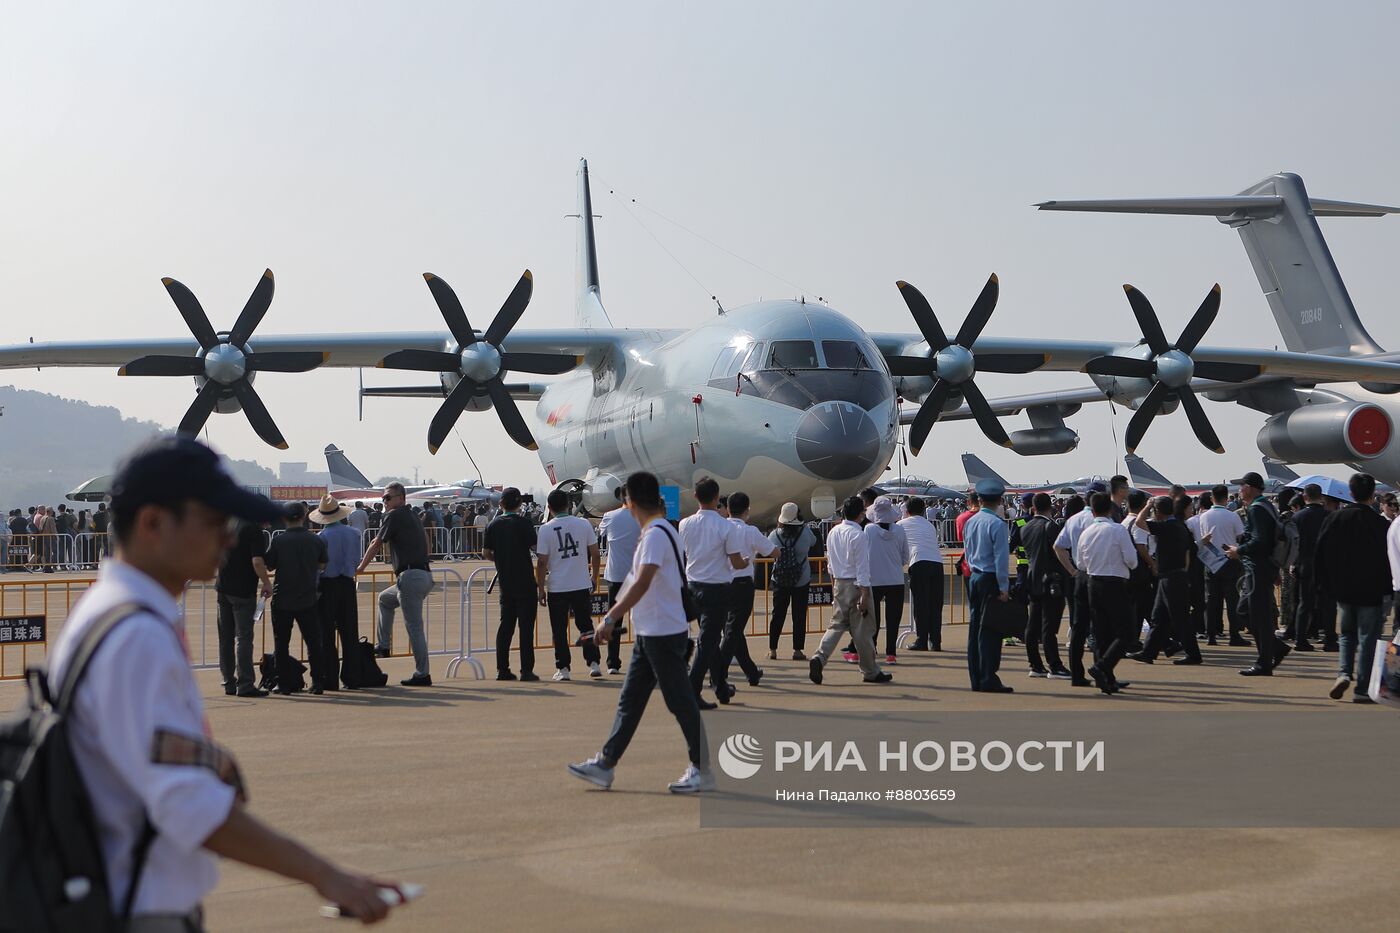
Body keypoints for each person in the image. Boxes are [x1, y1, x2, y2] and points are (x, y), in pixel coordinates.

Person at [47, 437, 398, 928]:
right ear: (152, 523)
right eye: (214, 522)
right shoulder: (135, 634)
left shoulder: (113, 613)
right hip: (136, 908)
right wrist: (326, 875)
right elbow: (188, 804)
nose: (229, 538)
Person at [567, 471, 714, 794]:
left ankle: (702, 768)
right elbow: (638, 581)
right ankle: (606, 764)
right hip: (652, 632)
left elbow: (643, 580)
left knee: (680, 701)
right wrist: (611, 619)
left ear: (628, 500)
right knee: (630, 701)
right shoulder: (661, 530)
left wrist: (610, 619)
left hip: (663, 632)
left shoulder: (656, 535)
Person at [1315, 473, 1391, 702]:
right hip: (1372, 590)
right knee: (1368, 638)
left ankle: (1344, 672)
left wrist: (1324, 584)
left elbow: (1320, 553)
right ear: (1373, 495)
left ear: (1350, 493)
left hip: (1344, 589)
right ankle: (1362, 688)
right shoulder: (1380, 524)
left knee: (1347, 635)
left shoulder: (1336, 519)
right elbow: (1389, 559)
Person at [356, 482, 435, 686]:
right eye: (384, 498)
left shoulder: (395, 515)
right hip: (422, 576)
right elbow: (427, 543)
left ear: (401, 498)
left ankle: (422, 673)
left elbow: (377, 542)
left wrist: (361, 567)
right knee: (385, 599)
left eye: (388, 497)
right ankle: (383, 645)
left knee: (414, 627)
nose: (385, 501)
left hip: (410, 576)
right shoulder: (414, 516)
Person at [679, 477, 746, 709]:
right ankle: (692, 688)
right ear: (718, 499)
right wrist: (746, 561)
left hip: (693, 586)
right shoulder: (725, 526)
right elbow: (736, 562)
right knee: (708, 641)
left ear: (695, 496)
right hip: (717, 587)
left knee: (710, 639)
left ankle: (720, 686)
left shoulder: (684, 524)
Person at [809, 496, 890, 685]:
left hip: (839, 584)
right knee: (863, 631)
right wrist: (865, 594)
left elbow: (830, 565)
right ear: (860, 514)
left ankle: (819, 657)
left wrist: (835, 585)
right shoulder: (858, 535)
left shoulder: (833, 532)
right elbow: (862, 567)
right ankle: (870, 670)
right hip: (856, 584)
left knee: (836, 625)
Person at [1224, 472, 1289, 676]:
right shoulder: (1266, 506)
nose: (1239, 490)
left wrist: (1239, 551)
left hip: (1257, 569)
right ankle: (1275, 650)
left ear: (1250, 487)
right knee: (1247, 611)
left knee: (1255, 615)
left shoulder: (1257, 509)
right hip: (1263, 568)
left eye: (1241, 486)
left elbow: (1260, 541)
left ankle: (1264, 662)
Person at [713, 491, 776, 700]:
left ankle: (751, 671)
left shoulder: (719, 527)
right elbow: (773, 552)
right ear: (747, 510)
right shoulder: (750, 531)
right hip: (742, 585)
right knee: (733, 631)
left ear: (727, 508)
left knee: (733, 630)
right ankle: (718, 674)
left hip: (720, 583)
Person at [264, 502, 331, 695]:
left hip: (283, 597)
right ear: (304, 516)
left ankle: (283, 683)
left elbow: (270, 565)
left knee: (281, 643)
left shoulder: (279, 541)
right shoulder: (315, 540)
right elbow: (322, 565)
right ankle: (317, 681)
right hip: (308, 598)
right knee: (313, 642)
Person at [536, 489, 602, 681]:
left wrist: (541, 588)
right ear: (569, 504)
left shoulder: (546, 529)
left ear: (549, 508)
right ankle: (594, 663)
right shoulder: (583, 524)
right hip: (581, 583)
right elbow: (596, 554)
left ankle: (563, 667)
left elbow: (541, 562)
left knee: (559, 628)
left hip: (558, 586)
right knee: (585, 624)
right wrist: (594, 577)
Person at [1076, 492, 1138, 694]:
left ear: (1092, 510)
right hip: (1115, 583)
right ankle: (1102, 667)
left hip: (1093, 582)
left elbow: (1080, 564)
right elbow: (1132, 560)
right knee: (1126, 633)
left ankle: (1107, 679)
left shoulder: (1086, 532)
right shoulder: (1117, 530)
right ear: (1110, 509)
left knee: (1102, 633)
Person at [1128, 496, 1200, 665]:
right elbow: (1191, 550)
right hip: (1173, 576)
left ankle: (1194, 654)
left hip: (1171, 577)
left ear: (1158, 512)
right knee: (1158, 617)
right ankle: (1148, 652)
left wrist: (1147, 505)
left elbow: (1139, 522)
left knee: (1180, 618)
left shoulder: (1167, 526)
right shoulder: (1180, 526)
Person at [480, 487, 539, 682]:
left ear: (501, 503)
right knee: (526, 628)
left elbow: (486, 553)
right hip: (526, 581)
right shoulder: (524, 523)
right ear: (519, 504)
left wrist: (500, 559)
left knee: (506, 626)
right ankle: (526, 670)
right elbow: (535, 547)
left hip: (506, 582)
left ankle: (502, 668)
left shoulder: (493, 525)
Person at [962, 479, 1013, 693]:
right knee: (990, 631)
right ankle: (988, 677)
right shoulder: (997, 524)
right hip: (990, 578)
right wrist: (1004, 587)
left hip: (975, 576)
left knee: (975, 630)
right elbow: (1001, 558)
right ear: (1000, 500)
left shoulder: (970, 522)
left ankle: (977, 676)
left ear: (980, 499)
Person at [309, 495, 363, 690]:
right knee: (350, 632)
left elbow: (318, 567)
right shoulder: (354, 534)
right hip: (347, 583)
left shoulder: (321, 538)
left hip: (327, 584)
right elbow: (356, 560)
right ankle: (352, 677)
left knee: (326, 633)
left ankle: (329, 678)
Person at [215, 517, 272, 697]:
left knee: (225, 637)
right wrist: (266, 581)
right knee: (244, 637)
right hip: (242, 590)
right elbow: (257, 561)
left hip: (223, 587)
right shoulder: (253, 530)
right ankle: (245, 683)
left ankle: (228, 681)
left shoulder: (228, 523)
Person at [1017, 492, 1071, 678]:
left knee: (1033, 625)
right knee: (1049, 626)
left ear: (1033, 507)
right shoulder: (1051, 526)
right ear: (1052, 507)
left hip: (1032, 579)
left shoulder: (1026, 527)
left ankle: (1035, 664)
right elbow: (1059, 552)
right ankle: (1054, 665)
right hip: (1051, 580)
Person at [1054, 485, 1102, 687]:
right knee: (1101, 628)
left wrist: (1072, 570)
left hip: (1079, 576)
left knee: (1077, 627)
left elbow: (1058, 546)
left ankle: (1077, 674)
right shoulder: (1101, 522)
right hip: (1098, 575)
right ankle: (1102, 671)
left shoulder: (1073, 520)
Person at [768, 502, 818, 660]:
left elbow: (770, 552)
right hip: (801, 579)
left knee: (778, 614)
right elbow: (814, 543)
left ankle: (773, 649)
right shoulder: (805, 532)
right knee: (799, 615)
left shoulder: (774, 535)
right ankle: (797, 650)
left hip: (780, 579)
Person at [598, 485, 640, 675]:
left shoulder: (609, 516)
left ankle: (612, 662)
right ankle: (646, 659)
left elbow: (602, 533)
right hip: (639, 576)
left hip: (616, 575)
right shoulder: (643, 517)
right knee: (643, 620)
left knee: (614, 619)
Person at [1292, 483, 1339, 652]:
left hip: (1304, 562)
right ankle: (1330, 639)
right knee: (1328, 604)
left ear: (1305, 497)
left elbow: (1293, 544)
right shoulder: (1330, 516)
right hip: (1325, 564)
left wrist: (1293, 564)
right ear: (1321, 497)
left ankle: (1300, 639)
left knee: (1305, 603)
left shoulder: (1297, 517)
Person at [1199, 483, 1247, 647]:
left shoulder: (1203, 516)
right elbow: (1241, 536)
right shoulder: (1232, 516)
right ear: (1227, 498)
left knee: (1212, 601)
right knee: (1232, 599)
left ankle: (1211, 634)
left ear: (1212, 498)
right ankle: (1234, 634)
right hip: (1229, 559)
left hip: (1210, 560)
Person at [865, 497, 909, 665]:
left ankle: (873, 646)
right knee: (893, 618)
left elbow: (865, 553)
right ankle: (891, 652)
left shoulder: (869, 530)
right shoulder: (899, 530)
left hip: (874, 579)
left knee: (873, 618)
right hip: (895, 579)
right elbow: (905, 555)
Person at [898, 496, 945, 652]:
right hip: (937, 563)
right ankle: (936, 641)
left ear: (907, 510)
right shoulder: (930, 525)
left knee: (921, 604)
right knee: (935, 604)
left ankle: (921, 640)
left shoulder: (901, 525)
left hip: (919, 562)